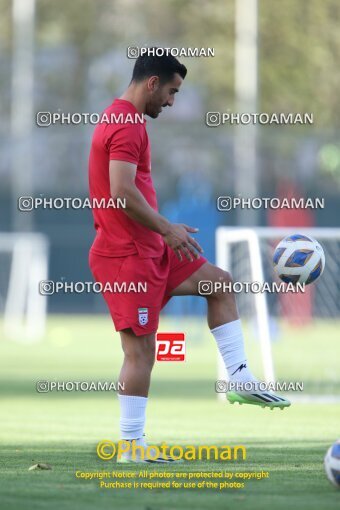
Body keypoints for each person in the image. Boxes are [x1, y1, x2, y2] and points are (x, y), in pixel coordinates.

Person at [88, 51, 290, 463]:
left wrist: (162, 236)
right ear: (152, 83)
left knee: (220, 284)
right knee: (141, 353)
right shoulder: (126, 124)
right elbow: (121, 192)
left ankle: (240, 378)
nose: (172, 101)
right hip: (127, 257)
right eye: (171, 91)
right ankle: (131, 447)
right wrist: (168, 227)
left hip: (150, 250)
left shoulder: (124, 118)